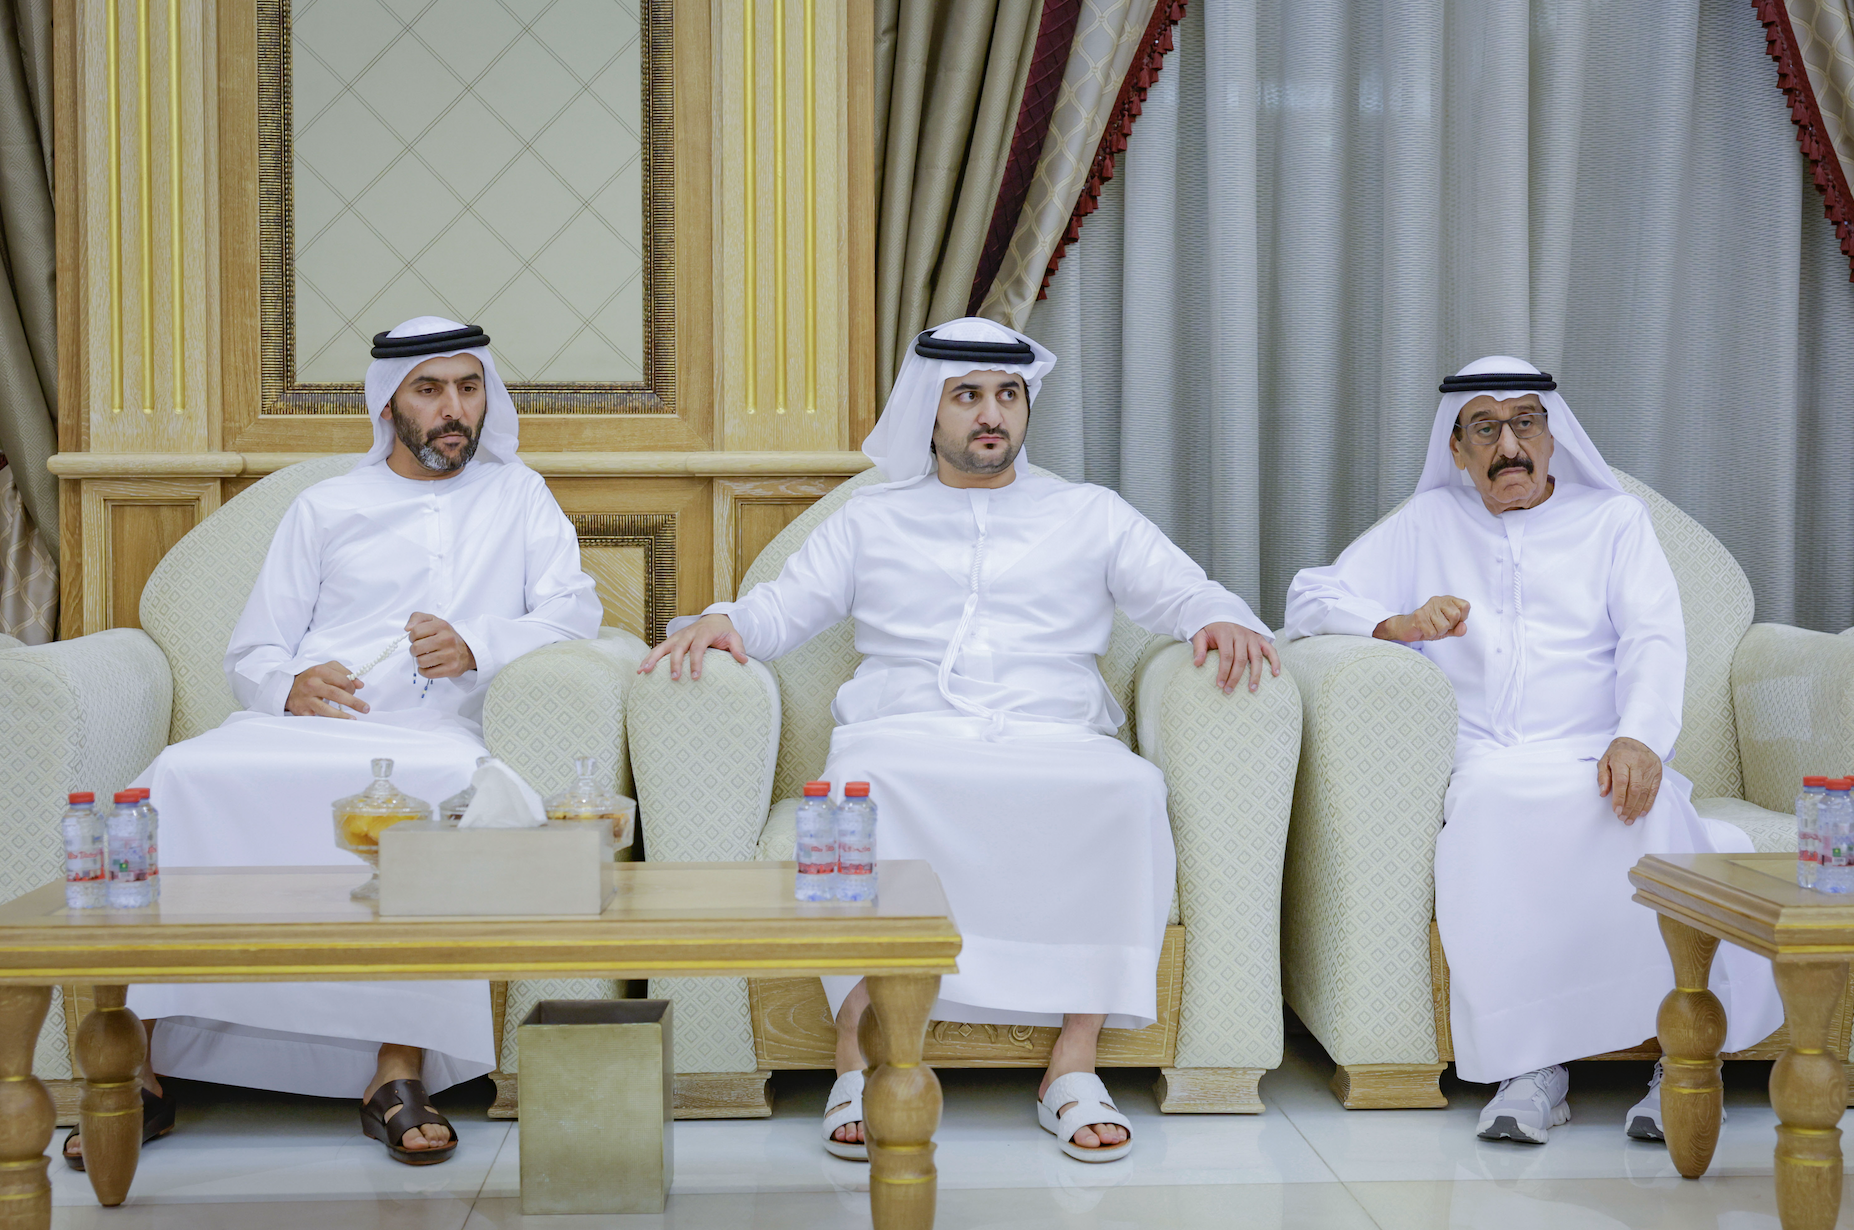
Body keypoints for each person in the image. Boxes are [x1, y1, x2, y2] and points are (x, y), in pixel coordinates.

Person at [640, 317, 1278, 1163]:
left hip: (1054, 733)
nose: (991, 414)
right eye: (968, 395)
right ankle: (857, 1053)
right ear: (928, 412)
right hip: (903, 735)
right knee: (859, 790)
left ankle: (1073, 1062)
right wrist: (724, 623)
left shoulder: (1089, 513)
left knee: (1128, 789)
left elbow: (1183, 591)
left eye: (1008, 394)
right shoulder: (872, 519)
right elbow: (783, 609)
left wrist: (1220, 618)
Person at [65, 317, 602, 1168]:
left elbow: (575, 610)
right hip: (306, 729)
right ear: (388, 404)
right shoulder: (326, 506)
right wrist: (288, 686)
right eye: (430, 390)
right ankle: (141, 1063)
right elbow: (254, 650)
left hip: (432, 733)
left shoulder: (519, 495)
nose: (454, 408)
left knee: (441, 790)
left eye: (468, 388)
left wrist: (480, 643)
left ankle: (396, 1070)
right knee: (183, 774)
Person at [1280, 355, 1782, 1145]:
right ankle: (1533, 1069)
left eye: (1524, 423)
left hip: (1599, 751)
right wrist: (1395, 625)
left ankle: (1682, 1063)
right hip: (1490, 762)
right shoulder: (1427, 523)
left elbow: (1653, 637)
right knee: (1491, 811)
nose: (1508, 446)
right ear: (1456, 449)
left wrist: (1639, 738)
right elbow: (1309, 596)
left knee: (1641, 815)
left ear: (1553, 436)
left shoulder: (1612, 521)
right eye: (1485, 428)